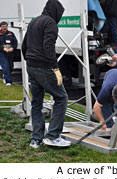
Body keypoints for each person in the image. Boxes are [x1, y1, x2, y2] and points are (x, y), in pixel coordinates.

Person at [22, 0, 70, 148]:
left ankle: (36, 139)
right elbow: (48, 46)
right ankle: (53, 136)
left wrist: (29, 60)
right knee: (61, 97)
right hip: (44, 67)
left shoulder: (34, 21)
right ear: (56, 11)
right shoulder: (50, 23)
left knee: (36, 102)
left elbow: (24, 45)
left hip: (31, 65)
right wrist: (55, 68)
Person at [0, 21, 18, 86]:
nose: (5, 28)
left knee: (11, 66)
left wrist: (13, 48)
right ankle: (8, 81)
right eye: (3, 26)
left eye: (6, 26)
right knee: (5, 66)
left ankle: (5, 75)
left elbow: (15, 42)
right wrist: (2, 48)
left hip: (10, 52)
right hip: (2, 53)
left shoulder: (11, 34)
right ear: (1, 27)